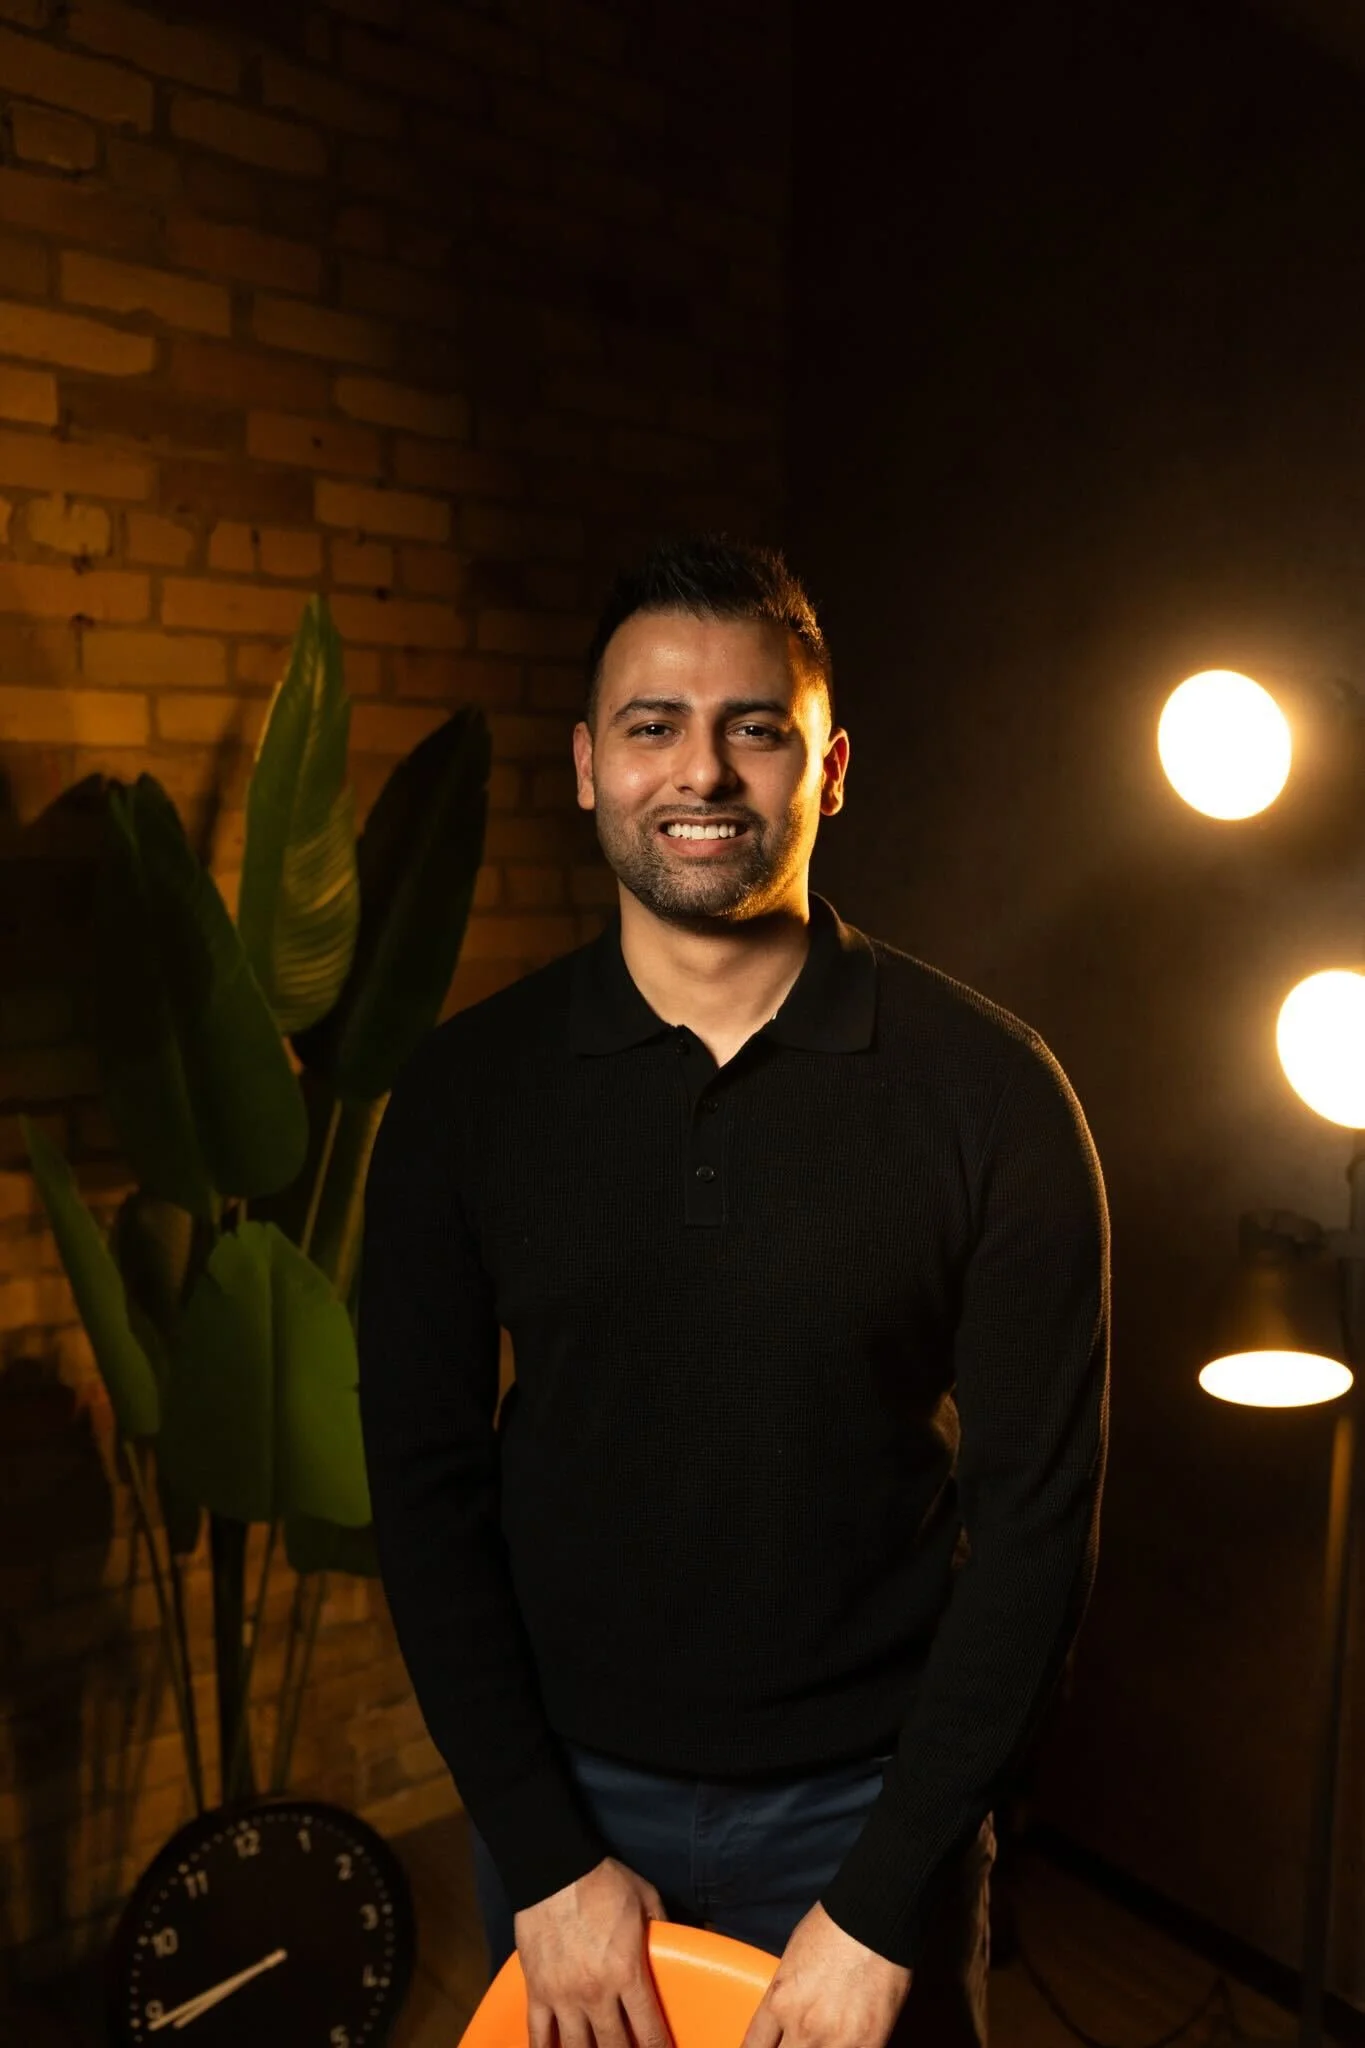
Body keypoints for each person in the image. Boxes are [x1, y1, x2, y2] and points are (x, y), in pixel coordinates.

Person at [357, 533, 1110, 2048]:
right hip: (567, 1802)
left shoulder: (995, 1098)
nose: (701, 772)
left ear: (829, 769)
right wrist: (551, 1854)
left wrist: (887, 1895)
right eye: (653, 726)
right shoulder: (466, 1094)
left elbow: (1037, 1525)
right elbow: (425, 1494)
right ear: (588, 766)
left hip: (864, 1812)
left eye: (753, 727)